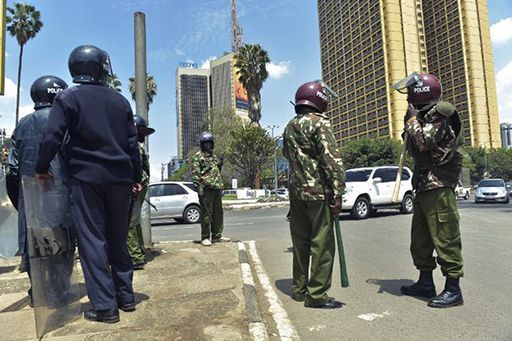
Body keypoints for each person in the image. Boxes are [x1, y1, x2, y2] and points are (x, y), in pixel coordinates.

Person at [35, 45, 142, 323]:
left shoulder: (67, 98)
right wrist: (136, 178)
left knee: (93, 240)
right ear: (101, 69)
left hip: (86, 179)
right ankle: (126, 297)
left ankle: (105, 307)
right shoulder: (121, 101)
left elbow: (52, 138)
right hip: (120, 179)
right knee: (118, 239)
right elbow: (133, 147)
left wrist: (41, 169)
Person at [396, 73, 464, 308]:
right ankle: (425, 282)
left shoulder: (440, 113)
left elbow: (424, 142)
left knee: (445, 238)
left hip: (438, 186)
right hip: (423, 186)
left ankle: (453, 289)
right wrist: (411, 121)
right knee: (421, 241)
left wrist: (413, 120)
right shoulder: (423, 116)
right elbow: (413, 143)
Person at [6, 75, 68, 306]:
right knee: (62, 244)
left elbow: (12, 170)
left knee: (34, 247)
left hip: (30, 200)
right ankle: (60, 291)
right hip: (60, 198)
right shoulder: (65, 121)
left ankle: (38, 293)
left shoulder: (22, 124)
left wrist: (21, 201)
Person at [283, 80, 345, 309]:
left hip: (297, 194)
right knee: (322, 245)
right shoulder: (320, 124)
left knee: (301, 243)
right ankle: (317, 295)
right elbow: (331, 160)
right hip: (318, 193)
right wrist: (337, 192)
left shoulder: (289, 126)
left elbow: (287, 155)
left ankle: (299, 290)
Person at [191, 132, 229, 246]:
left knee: (218, 213)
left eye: (210, 143)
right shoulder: (197, 157)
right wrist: (199, 188)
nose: (208, 145)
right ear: (202, 144)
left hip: (216, 187)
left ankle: (217, 235)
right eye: (206, 143)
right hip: (206, 188)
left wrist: (220, 164)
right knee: (206, 214)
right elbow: (196, 175)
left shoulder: (213, 156)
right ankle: (205, 237)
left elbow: (215, 171)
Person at [128, 115, 154, 270]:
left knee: (129, 223)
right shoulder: (137, 146)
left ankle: (135, 257)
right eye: (143, 132)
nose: (144, 136)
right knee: (134, 221)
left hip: (135, 185)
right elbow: (146, 170)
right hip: (140, 184)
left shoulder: (134, 147)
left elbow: (136, 168)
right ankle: (140, 254)